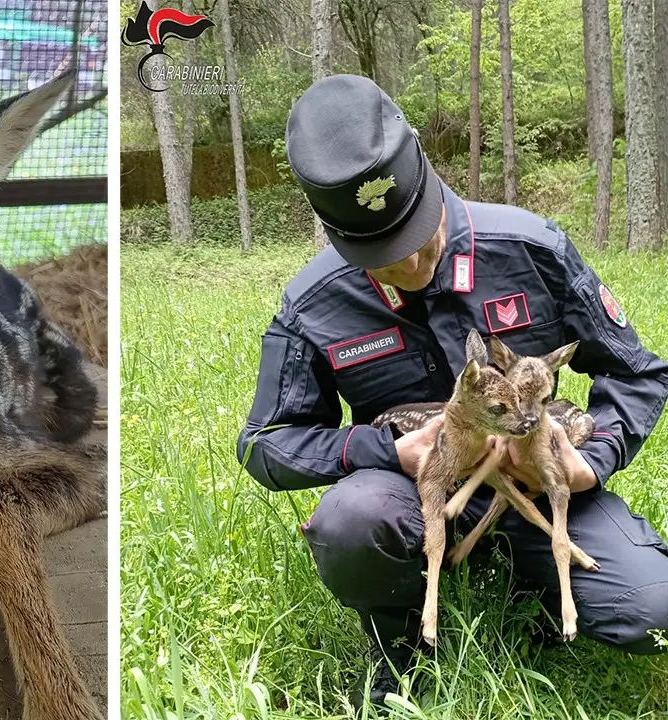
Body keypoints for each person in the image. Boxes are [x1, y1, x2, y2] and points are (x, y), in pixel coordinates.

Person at [236, 73, 668, 710]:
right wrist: (384, 452)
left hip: (533, 480)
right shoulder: (314, 306)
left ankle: (531, 597)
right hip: (415, 489)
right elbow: (265, 443)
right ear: (333, 234)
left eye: (415, 235)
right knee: (353, 521)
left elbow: (638, 374)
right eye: (382, 255)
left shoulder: (529, 248)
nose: (410, 265)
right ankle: (401, 647)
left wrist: (589, 461)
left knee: (651, 609)